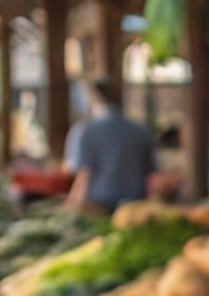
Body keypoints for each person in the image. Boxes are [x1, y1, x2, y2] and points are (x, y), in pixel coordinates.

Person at [65, 79, 155, 215]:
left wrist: (71, 205)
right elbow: (152, 173)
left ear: (93, 97)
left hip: (97, 206)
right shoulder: (140, 131)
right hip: (134, 207)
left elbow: (83, 174)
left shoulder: (85, 130)